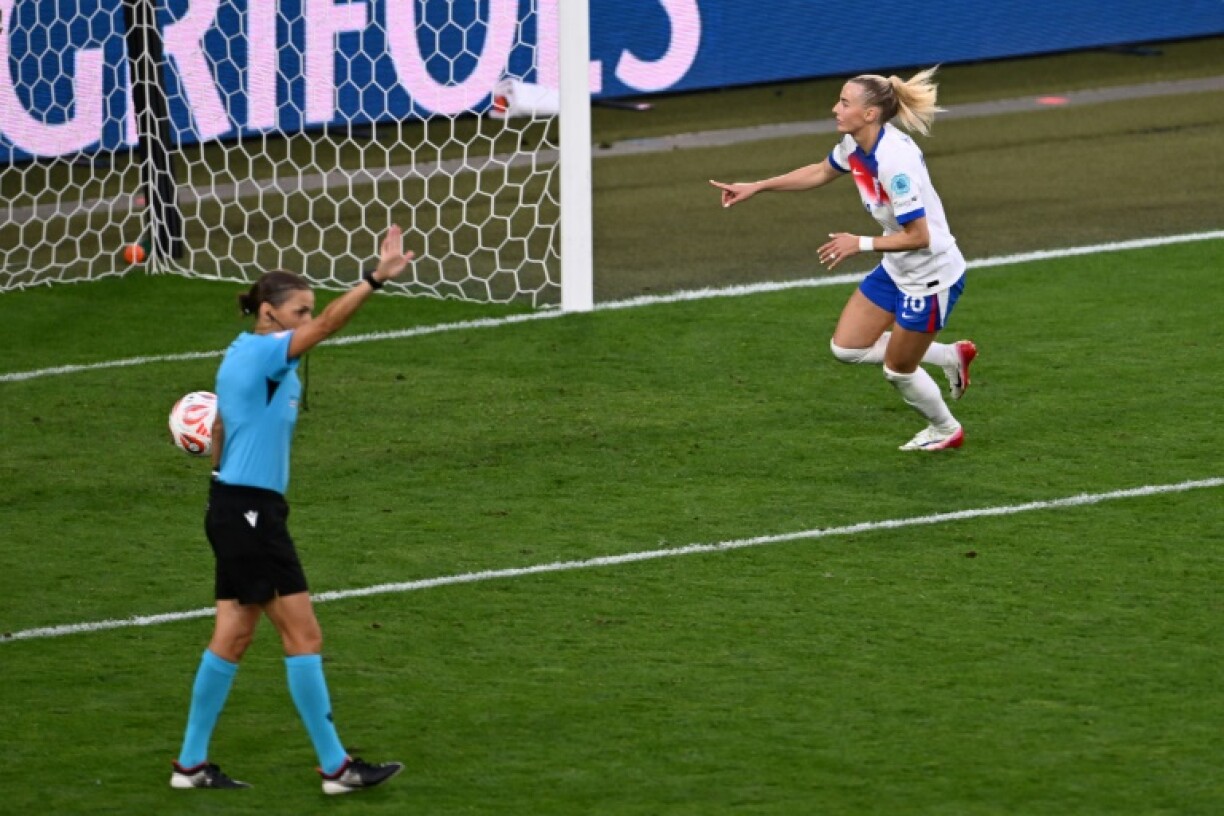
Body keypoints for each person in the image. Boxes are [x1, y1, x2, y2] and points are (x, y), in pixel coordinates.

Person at [171, 225, 413, 793]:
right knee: (303, 636)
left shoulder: (247, 354)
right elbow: (328, 326)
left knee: (233, 635)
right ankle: (336, 768)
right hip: (250, 514)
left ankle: (190, 765)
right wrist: (374, 279)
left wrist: (221, 482)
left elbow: (223, 427)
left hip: (235, 507)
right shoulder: (264, 352)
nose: (307, 319)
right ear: (269, 313)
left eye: (307, 310)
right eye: (299, 310)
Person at [710, 67, 977, 451]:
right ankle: (950, 356)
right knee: (848, 348)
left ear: (870, 114)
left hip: (930, 277)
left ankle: (945, 429)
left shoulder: (893, 162)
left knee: (899, 371)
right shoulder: (856, 145)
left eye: (844, 103)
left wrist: (860, 244)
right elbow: (821, 171)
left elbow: (920, 237)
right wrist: (758, 186)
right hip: (898, 266)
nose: (835, 109)